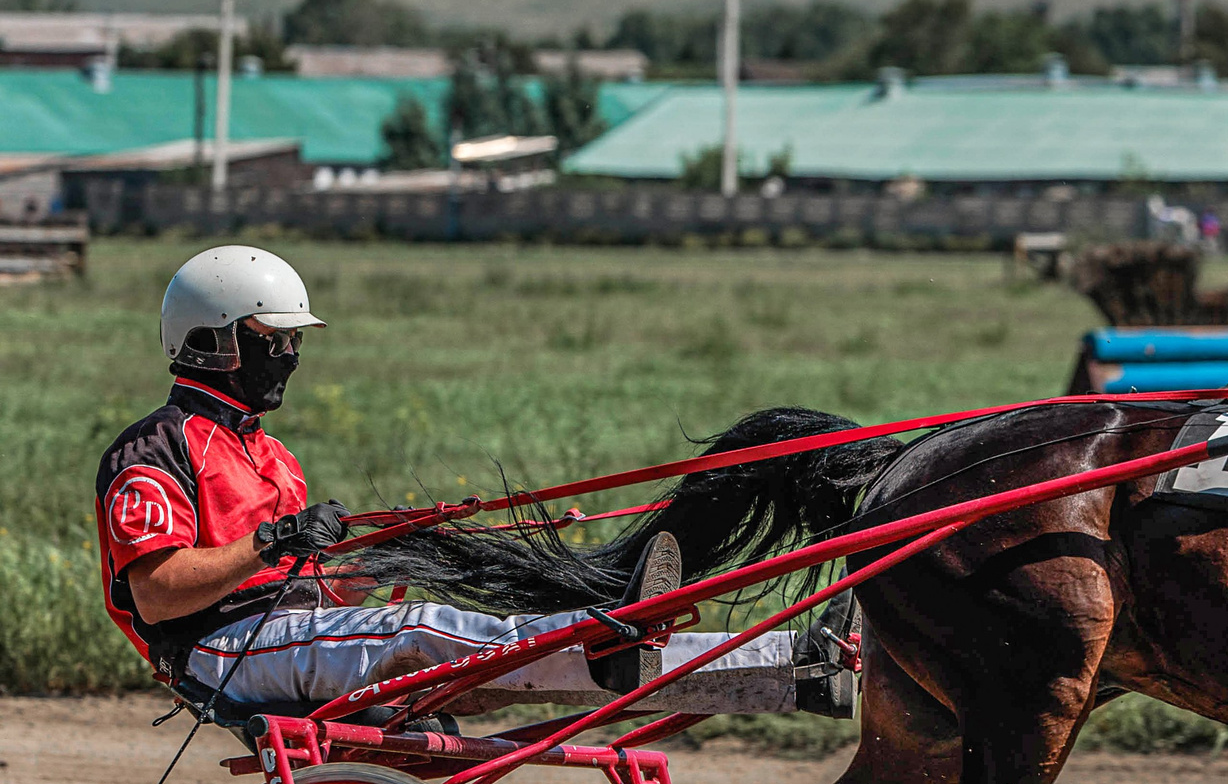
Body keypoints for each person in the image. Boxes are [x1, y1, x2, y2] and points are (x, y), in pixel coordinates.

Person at [96, 244, 803, 714]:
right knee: (420, 631)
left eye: (295, 341)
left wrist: (385, 556)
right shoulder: (154, 449)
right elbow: (156, 596)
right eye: (273, 339)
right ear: (213, 341)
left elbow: (317, 596)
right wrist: (273, 540)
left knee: (447, 682)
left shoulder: (273, 458)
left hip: (282, 636)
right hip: (218, 653)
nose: (289, 356)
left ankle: (784, 666)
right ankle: (604, 641)